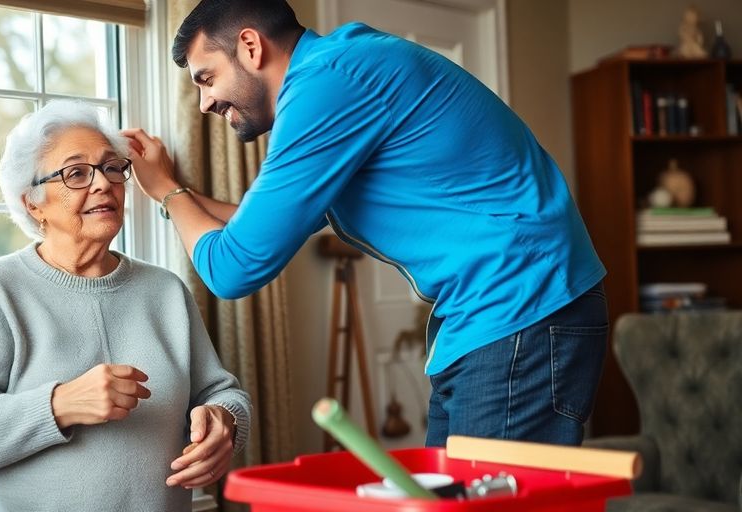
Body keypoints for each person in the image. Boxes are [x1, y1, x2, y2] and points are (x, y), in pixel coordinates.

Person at [123, 0, 607, 447]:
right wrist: (174, 194)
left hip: (522, 306)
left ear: (250, 46)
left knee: (490, 498)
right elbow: (260, 227)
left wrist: (168, 192)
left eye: (207, 78)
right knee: (450, 495)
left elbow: (233, 268)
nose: (205, 103)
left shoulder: (326, 83)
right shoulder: (342, 69)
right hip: (498, 315)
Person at [0, 100, 251, 512]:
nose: (103, 183)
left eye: (112, 168)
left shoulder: (166, 290)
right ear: (32, 202)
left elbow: (223, 392)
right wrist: (60, 404)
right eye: (77, 173)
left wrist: (226, 420)